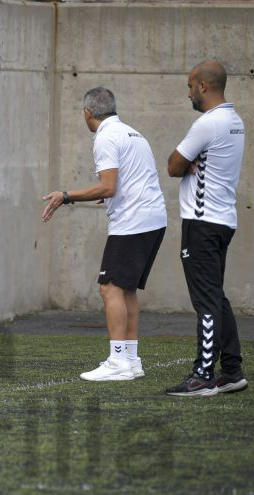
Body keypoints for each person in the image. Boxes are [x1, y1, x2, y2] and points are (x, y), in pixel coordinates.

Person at [42, 86, 167, 382]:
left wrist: (65, 195)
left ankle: (118, 361)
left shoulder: (105, 137)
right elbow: (128, 181)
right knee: (126, 290)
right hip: (153, 218)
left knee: (109, 287)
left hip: (133, 222)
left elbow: (108, 186)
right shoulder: (132, 133)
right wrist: (108, 195)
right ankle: (132, 360)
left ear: (88, 114)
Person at [165, 60, 247, 397]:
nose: (188, 93)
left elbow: (172, 166)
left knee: (206, 301)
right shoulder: (235, 121)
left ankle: (204, 375)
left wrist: (186, 164)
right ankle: (231, 371)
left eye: (189, 86)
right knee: (215, 296)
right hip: (222, 221)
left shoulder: (208, 124)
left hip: (202, 223)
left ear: (203, 86)